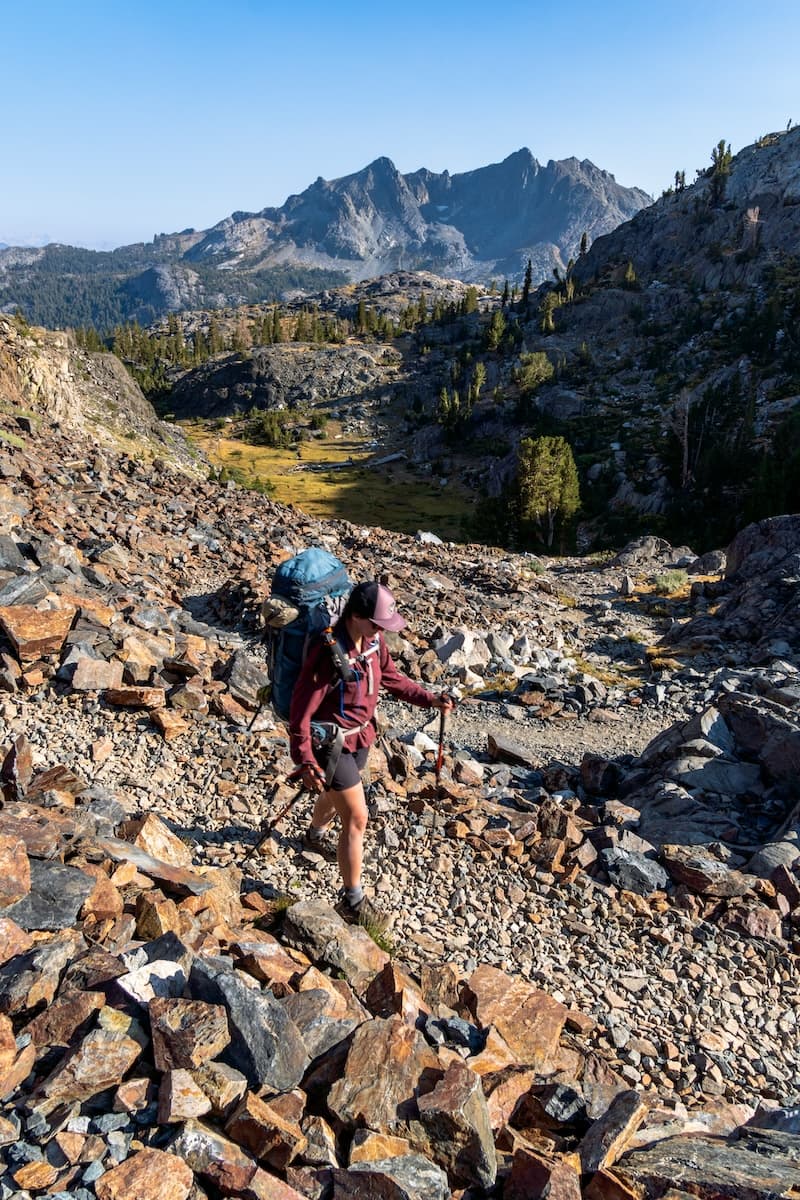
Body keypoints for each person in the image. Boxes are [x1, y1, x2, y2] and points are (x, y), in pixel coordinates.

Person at [289, 580, 454, 927]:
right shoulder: (328, 651)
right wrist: (304, 758)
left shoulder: (374, 642)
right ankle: (353, 899)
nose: (382, 630)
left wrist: (429, 698)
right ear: (357, 616)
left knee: (338, 796)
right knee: (357, 818)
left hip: (362, 736)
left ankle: (315, 834)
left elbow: (392, 679)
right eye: (377, 623)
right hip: (330, 743)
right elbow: (300, 711)